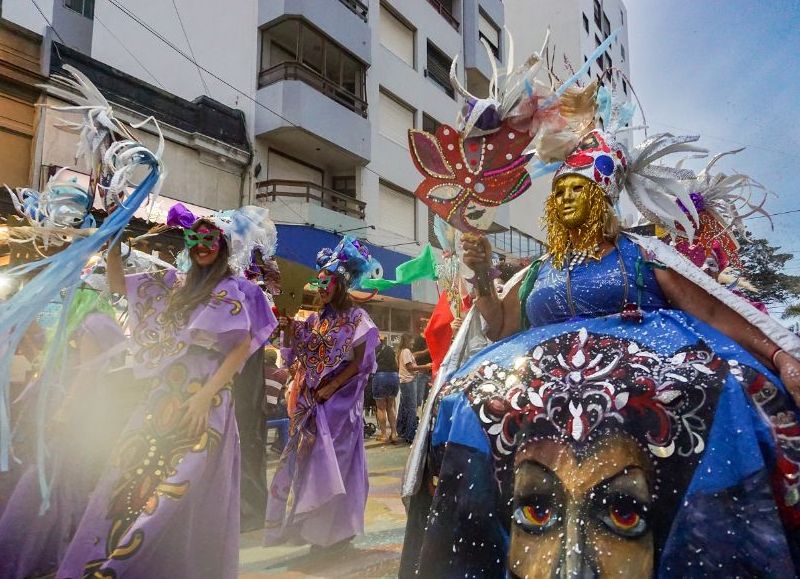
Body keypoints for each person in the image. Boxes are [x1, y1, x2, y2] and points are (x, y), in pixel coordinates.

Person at [400, 71, 800, 576]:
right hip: (532, 386)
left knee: (712, 388)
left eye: (577, 189)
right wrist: (481, 275)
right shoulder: (539, 270)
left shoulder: (639, 254)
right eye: (560, 189)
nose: (565, 197)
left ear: (601, 199)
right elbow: (500, 328)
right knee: (462, 395)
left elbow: (713, 311)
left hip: (649, 368)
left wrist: (779, 354)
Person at [57, 206, 276, 578]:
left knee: (181, 484)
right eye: (195, 238)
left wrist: (206, 396)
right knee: (130, 472)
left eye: (210, 239)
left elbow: (239, 347)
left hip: (205, 395)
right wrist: (113, 241)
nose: (201, 246)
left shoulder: (235, 289)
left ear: (223, 245)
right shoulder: (174, 282)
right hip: (162, 394)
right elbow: (117, 285)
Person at [0, 287, 126, 578]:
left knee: (47, 481)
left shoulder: (89, 324)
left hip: (73, 417)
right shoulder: (85, 323)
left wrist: (65, 411)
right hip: (67, 413)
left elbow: (87, 371)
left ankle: (39, 551)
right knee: (61, 483)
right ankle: (61, 549)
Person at [264, 236, 380, 550]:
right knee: (308, 465)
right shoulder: (316, 320)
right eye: (320, 282)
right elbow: (295, 352)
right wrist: (288, 327)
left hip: (339, 410)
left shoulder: (358, 319)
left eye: (327, 281)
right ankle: (311, 530)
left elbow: (361, 364)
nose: (322, 287)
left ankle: (335, 533)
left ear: (340, 284)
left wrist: (331, 388)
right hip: (312, 407)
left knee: (334, 467)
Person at [396, 333, 431, 443]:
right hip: (409, 381)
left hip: (405, 381)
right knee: (411, 408)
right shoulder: (406, 351)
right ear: (407, 340)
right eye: (411, 341)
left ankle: (401, 429)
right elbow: (410, 367)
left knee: (404, 407)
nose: (413, 343)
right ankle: (410, 435)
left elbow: (415, 357)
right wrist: (426, 366)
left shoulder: (403, 352)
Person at [372, 336, 400, 443]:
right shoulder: (390, 348)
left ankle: (383, 435)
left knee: (381, 408)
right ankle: (394, 433)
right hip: (393, 376)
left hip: (380, 376)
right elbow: (396, 364)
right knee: (391, 406)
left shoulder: (373, 350)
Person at [412, 328, 432, 408]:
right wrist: (427, 351)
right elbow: (413, 355)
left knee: (429, 399)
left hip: (432, 373)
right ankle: (416, 417)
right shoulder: (418, 340)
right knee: (418, 399)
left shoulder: (433, 338)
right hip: (421, 372)